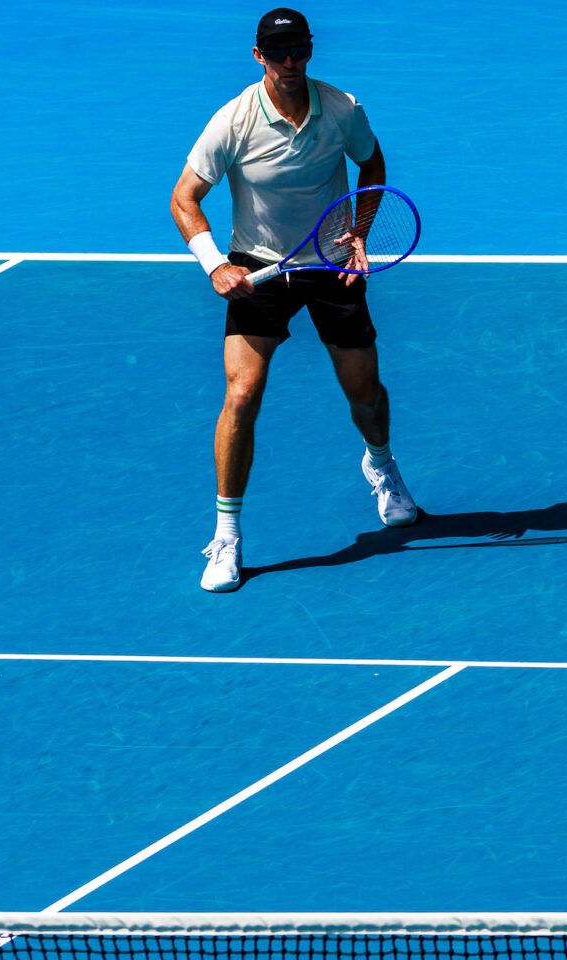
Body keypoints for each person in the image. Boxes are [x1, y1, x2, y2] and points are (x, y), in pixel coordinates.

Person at [170, 7, 418, 594]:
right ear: (259, 56)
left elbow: (372, 164)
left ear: (309, 51)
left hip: (333, 265)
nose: (289, 61)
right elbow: (185, 198)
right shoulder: (231, 122)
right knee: (243, 392)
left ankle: (380, 464)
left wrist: (359, 230)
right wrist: (215, 264)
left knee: (365, 391)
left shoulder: (341, 109)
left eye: (298, 50)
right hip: (258, 266)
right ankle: (227, 535)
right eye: (277, 52)